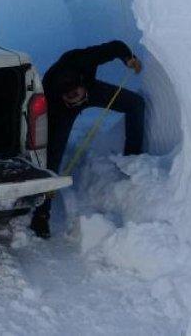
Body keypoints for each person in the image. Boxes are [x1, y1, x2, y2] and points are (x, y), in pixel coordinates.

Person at [30, 40, 146, 239]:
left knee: (135, 104)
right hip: (61, 112)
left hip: (91, 89)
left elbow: (116, 46)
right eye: (71, 98)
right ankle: (41, 214)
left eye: (77, 96)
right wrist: (69, 104)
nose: (77, 101)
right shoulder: (52, 94)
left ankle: (132, 159)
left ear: (82, 85)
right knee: (52, 158)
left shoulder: (84, 60)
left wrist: (128, 59)